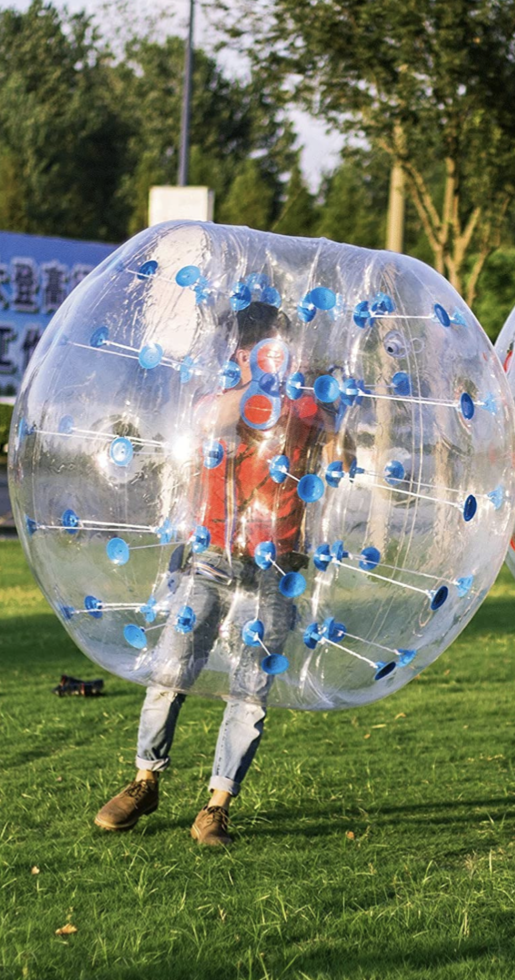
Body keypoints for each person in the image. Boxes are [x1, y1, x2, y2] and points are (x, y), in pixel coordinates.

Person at [95, 301, 335, 845]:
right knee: (170, 671)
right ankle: (144, 780)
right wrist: (258, 384)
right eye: (261, 350)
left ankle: (217, 806)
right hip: (210, 557)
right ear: (239, 354)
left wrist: (302, 388)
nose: (274, 359)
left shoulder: (304, 403)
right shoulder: (218, 400)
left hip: (276, 565)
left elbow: (325, 429)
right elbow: (211, 419)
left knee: (250, 691)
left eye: (281, 349)